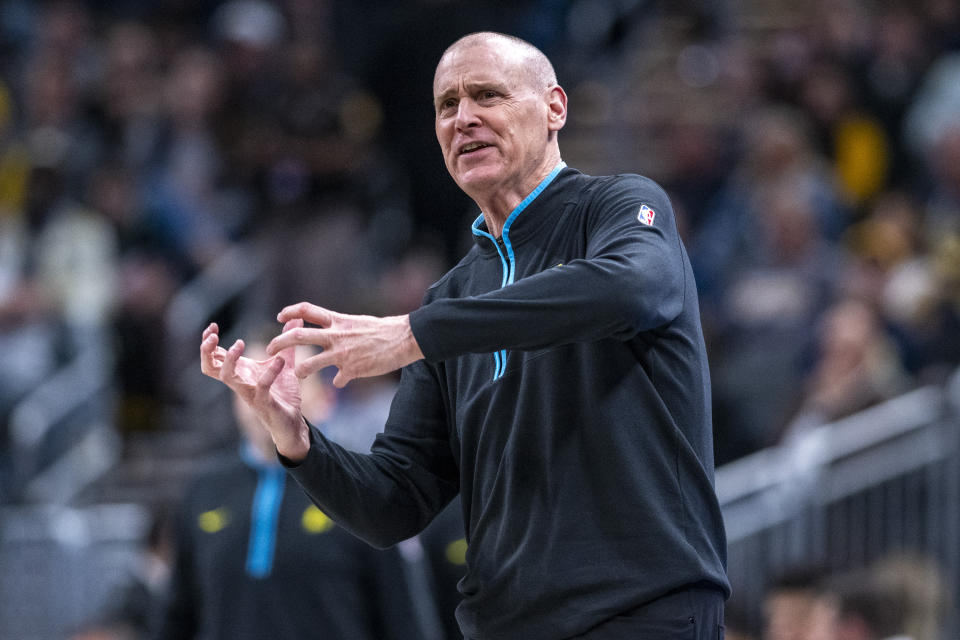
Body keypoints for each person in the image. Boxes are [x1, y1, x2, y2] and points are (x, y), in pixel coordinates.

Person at [200, 31, 730, 639]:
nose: (464, 118)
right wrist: (295, 438)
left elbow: (629, 288)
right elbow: (394, 503)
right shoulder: (451, 297)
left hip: (642, 613)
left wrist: (416, 334)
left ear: (555, 107)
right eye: (447, 106)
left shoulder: (619, 209)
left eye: (487, 95)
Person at [161, 338, 423, 640]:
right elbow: (176, 617)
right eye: (253, 379)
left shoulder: (360, 483)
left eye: (287, 379)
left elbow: (403, 620)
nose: (265, 394)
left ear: (325, 397)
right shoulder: (202, 490)